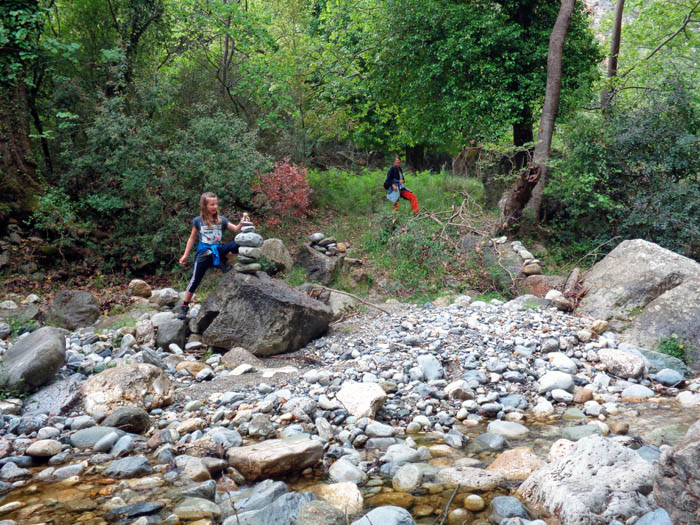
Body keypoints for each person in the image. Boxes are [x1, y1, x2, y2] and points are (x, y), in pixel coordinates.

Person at [177, 192, 250, 320]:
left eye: (216, 204)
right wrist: (185, 255)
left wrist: (242, 222)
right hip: (203, 253)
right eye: (212, 204)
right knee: (195, 280)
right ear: (205, 206)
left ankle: (222, 261)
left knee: (238, 244)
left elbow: (236, 229)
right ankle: (184, 307)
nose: (215, 206)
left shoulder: (221, 220)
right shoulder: (198, 221)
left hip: (217, 250)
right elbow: (192, 238)